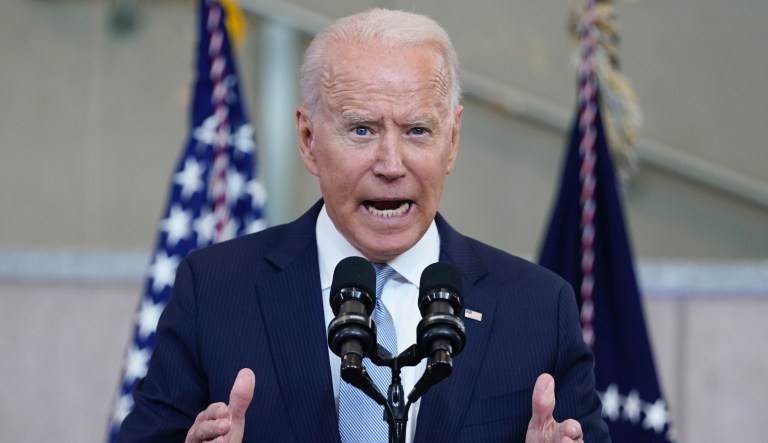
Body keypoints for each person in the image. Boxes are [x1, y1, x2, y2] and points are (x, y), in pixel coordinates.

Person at [118, 8, 610, 443]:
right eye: (361, 130)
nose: (391, 164)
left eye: (417, 130)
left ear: (453, 140)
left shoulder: (538, 309)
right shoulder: (216, 290)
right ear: (308, 139)